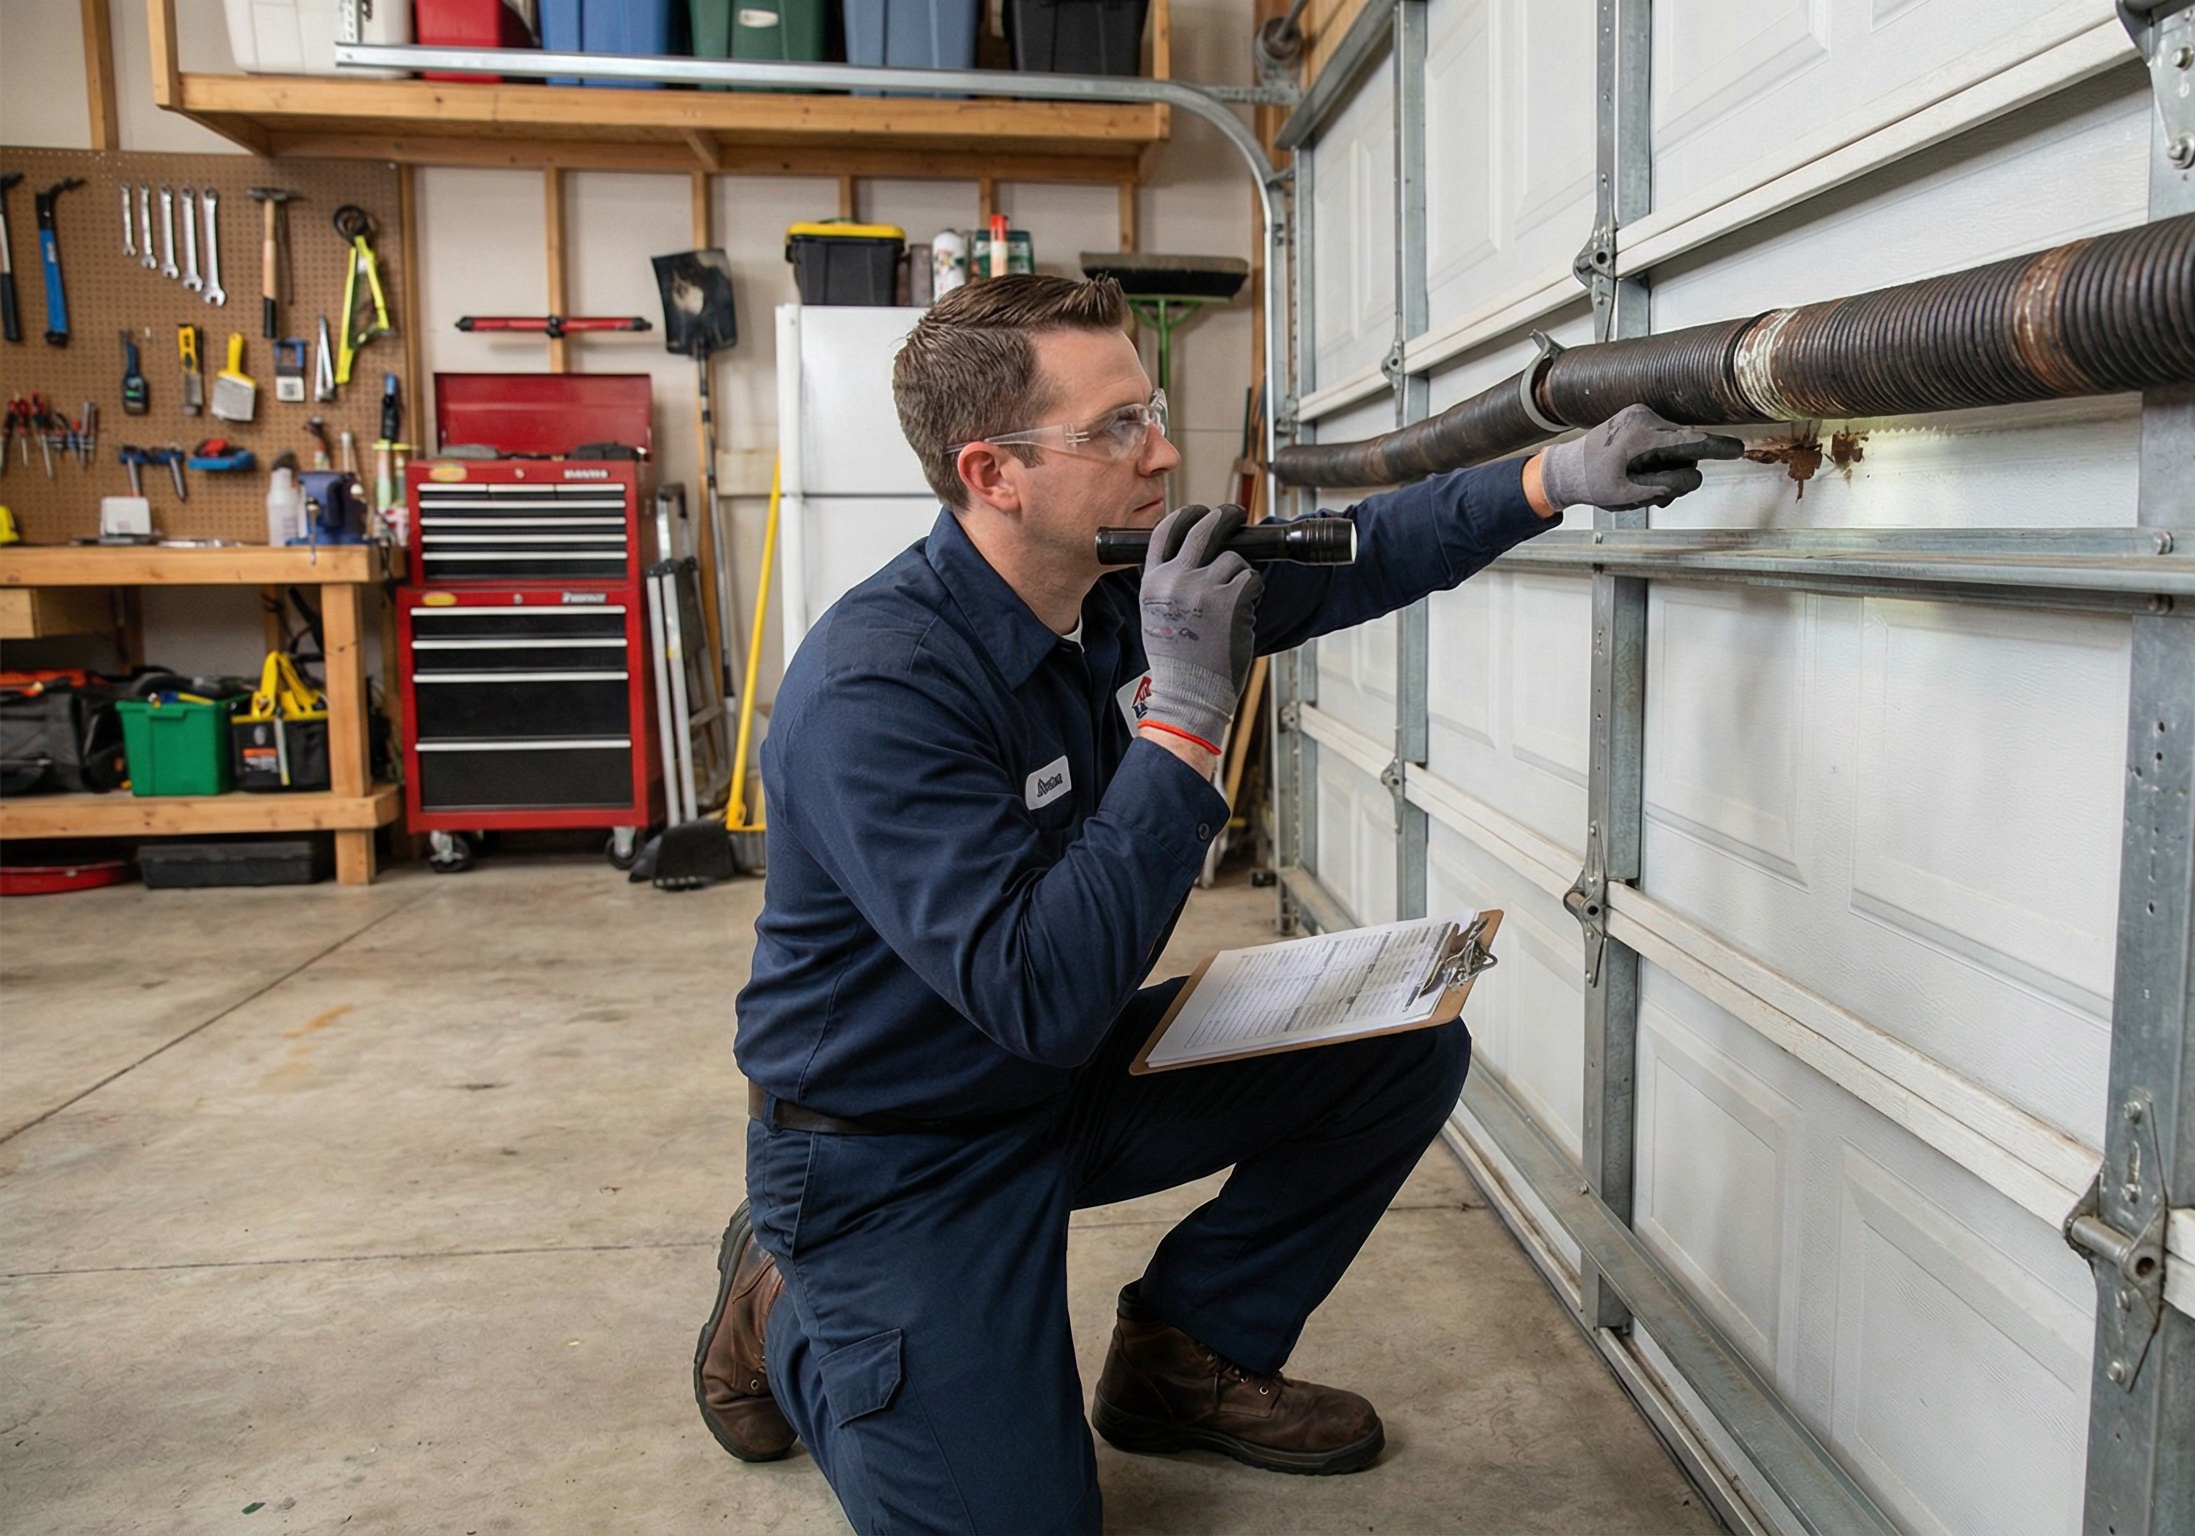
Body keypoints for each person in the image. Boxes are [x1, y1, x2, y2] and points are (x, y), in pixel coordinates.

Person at [694, 273, 1739, 1535]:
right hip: (894, 1148)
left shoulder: (1118, 589)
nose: (1161, 451)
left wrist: (1549, 478)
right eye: (1114, 428)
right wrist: (1186, 717)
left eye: (1148, 411)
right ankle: (786, 1306)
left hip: (1060, 1085)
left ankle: (1188, 1353)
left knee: (1397, 1037)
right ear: (991, 472)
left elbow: (1358, 551)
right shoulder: (880, 689)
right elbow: (1040, 992)